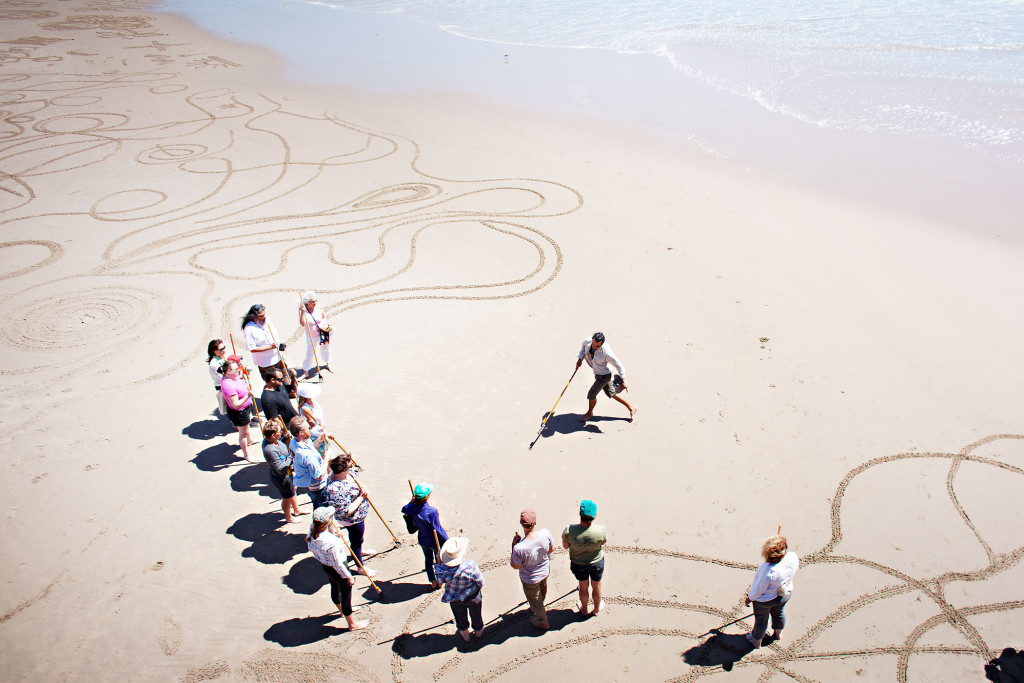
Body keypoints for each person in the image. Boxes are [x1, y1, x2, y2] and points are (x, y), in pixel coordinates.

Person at [306, 506, 368, 631]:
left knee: (334, 588)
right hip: (338, 569)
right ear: (327, 522)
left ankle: (341, 611)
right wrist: (348, 576)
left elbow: (313, 549)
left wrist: (336, 537)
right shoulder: (330, 542)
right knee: (346, 595)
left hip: (326, 566)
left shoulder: (312, 530)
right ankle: (352, 623)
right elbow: (338, 563)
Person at [324, 454, 377, 577]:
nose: (351, 468)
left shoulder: (348, 473)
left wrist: (363, 487)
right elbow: (346, 511)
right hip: (351, 519)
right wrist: (361, 497)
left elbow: (357, 480)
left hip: (359, 514)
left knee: (358, 539)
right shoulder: (334, 488)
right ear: (341, 470)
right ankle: (360, 567)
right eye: (349, 467)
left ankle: (358, 551)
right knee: (356, 540)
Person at [744, 536, 799, 648]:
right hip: (784, 594)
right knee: (779, 613)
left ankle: (756, 640)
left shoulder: (768, 570)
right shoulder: (793, 557)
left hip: (765, 600)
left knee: (761, 620)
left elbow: (759, 590)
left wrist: (750, 598)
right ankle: (778, 634)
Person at [575, 331, 636, 422]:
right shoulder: (588, 341)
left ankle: (589, 412)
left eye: (597, 346)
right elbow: (583, 346)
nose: (594, 347)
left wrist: (624, 380)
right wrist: (580, 359)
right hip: (598, 373)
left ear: (602, 344)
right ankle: (632, 408)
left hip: (604, 376)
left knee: (591, 394)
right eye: (593, 344)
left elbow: (618, 364)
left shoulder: (606, 353)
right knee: (611, 393)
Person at [510, 508, 555, 630]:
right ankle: (541, 602)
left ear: (521, 524)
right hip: (544, 571)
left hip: (530, 578)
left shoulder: (519, 548)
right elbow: (551, 549)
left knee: (535, 601)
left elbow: (515, 565)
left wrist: (513, 546)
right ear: (535, 523)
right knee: (542, 589)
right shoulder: (545, 533)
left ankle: (542, 621)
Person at [562, 499, 607, 616]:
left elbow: (565, 546)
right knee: (596, 586)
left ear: (580, 514)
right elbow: (603, 543)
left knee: (583, 586)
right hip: (596, 562)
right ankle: (596, 609)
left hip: (578, 563)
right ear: (594, 516)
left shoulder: (569, 530)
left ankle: (584, 608)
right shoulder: (600, 530)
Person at [434, 537, 485, 641]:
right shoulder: (470, 565)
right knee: (476, 614)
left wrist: (439, 565)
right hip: (472, 595)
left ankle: (465, 633)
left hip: (454, 598)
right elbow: (480, 580)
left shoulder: (443, 569)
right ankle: (478, 630)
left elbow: (439, 580)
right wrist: (478, 589)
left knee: (459, 616)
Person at [242, 304, 296, 399]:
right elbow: (252, 349)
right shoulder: (249, 329)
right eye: (261, 316)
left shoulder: (266, 320)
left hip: (278, 356)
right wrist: (270, 347)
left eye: (265, 314)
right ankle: (278, 398)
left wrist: (278, 346)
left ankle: (290, 393)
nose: (264, 317)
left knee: (285, 375)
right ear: (254, 317)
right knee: (274, 381)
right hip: (266, 362)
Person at [402, 483, 449, 589]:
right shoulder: (431, 511)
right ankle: (439, 581)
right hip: (434, 540)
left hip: (423, 539)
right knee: (438, 561)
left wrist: (411, 502)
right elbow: (438, 528)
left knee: (428, 560)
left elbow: (404, 509)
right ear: (427, 496)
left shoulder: (411, 508)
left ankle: (432, 581)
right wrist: (447, 540)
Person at [261, 420, 304, 523]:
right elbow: (281, 469)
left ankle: (297, 510)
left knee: (292, 490)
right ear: (272, 435)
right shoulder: (270, 450)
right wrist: (290, 457)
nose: (281, 433)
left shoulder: (273, 441)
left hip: (287, 475)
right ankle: (289, 517)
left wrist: (284, 438)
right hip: (282, 478)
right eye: (279, 432)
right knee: (287, 497)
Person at [288, 415, 329, 510]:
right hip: (318, 488)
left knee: (316, 506)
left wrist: (319, 440)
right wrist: (326, 458)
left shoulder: (294, 441)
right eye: (308, 428)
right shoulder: (306, 455)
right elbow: (318, 476)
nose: (310, 430)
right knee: (325, 512)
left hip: (307, 484)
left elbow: (312, 447)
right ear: (301, 432)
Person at [219, 359, 255, 461]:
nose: (238, 370)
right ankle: (246, 454)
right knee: (243, 433)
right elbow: (235, 405)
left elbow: (240, 379)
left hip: (245, 408)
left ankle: (250, 440)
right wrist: (248, 395)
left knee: (247, 428)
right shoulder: (228, 385)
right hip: (240, 412)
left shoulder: (232, 377)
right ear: (228, 371)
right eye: (235, 369)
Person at [299, 291, 332, 378]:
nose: (314, 303)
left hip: (322, 332)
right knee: (310, 353)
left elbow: (324, 317)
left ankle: (327, 363)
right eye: (312, 302)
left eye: (315, 301)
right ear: (307, 302)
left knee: (326, 348)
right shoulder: (303, 310)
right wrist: (302, 313)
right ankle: (305, 371)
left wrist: (323, 325)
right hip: (311, 335)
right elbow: (302, 323)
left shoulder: (318, 307)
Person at [207, 339, 228, 416]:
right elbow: (223, 377)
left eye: (224, 348)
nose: (223, 351)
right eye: (220, 349)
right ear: (214, 351)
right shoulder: (214, 364)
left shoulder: (222, 357)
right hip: (222, 385)